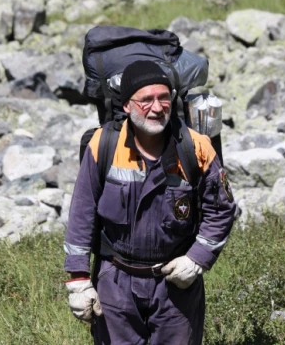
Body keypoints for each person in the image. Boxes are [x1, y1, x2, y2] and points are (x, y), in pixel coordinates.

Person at [63, 60, 238, 344]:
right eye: (146, 100)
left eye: (163, 98)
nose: (157, 108)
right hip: (114, 283)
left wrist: (197, 261)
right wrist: (79, 280)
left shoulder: (195, 147)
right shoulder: (103, 145)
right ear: (127, 107)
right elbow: (82, 214)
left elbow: (220, 210)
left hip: (176, 286)